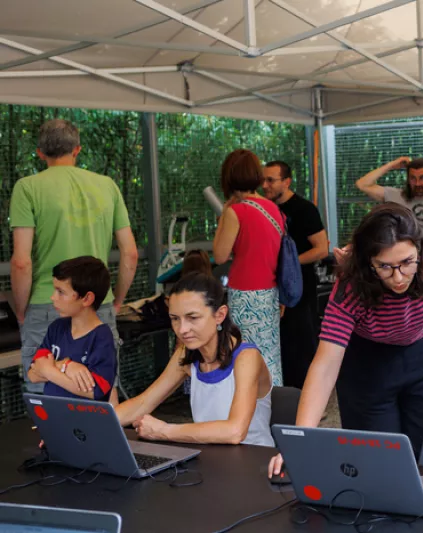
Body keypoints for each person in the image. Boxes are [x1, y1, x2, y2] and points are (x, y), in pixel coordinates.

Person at [268, 204, 423, 476]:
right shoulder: (351, 284)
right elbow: (325, 364)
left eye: (407, 263)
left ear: (420, 249)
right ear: (368, 262)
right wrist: (299, 440)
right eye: (384, 266)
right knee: (376, 459)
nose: (398, 278)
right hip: (368, 362)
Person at [10, 119, 138, 404]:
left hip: (47, 303)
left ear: (40, 153)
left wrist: (21, 311)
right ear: (77, 150)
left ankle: (54, 448)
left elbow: (21, 262)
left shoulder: (27, 187)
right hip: (95, 304)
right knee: (104, 387)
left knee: (45, 391)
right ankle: (108, 447)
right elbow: (130, 253)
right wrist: (115, 300)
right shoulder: (106, 185)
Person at [115, 273, 274, 446]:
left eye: (193, 317)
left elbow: (235, 431)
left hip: (255, 463)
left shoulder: (247, 358)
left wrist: (164, 431)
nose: (182, 329)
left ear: (220, 315)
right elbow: (143, 403)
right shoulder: (185, 354)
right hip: (210, 461)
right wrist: (91, 423)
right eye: (175, 319)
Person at [213, 149, 283, 386]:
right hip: (270, 292)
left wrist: (224, 213)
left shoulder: (236, 211)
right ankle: (274, 403)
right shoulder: (273, 208)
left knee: (245, 355)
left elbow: (220, 255)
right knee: (269, 355)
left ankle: (249, 411)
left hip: (245, 294)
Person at [262, 160, 329, 389]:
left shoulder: (304, 209)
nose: (265, 185)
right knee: (282, 344)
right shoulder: (264, 208)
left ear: (287, 181)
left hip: (300, 287)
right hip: (272, 287)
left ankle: (308, 397)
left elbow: (322, 249)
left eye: (271, 180)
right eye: (263, 180)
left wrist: (290, 264)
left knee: (301, 343)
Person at [27, 257, 117, 402]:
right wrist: (65, 366)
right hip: (55, 419)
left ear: (87, 299)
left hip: (87, 420)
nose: (52, 297)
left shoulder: (101, 336)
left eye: (60, 292)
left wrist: (50, 370)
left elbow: (96, 391)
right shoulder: (56, 328)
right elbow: (33, 373)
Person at [356, 156, 423, 239]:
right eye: (412, 178)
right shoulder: (395, 196)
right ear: (408, 180)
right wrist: (391, 165)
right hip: (404, 256)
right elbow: (362, 184)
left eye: (422, 178)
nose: (417, 183)